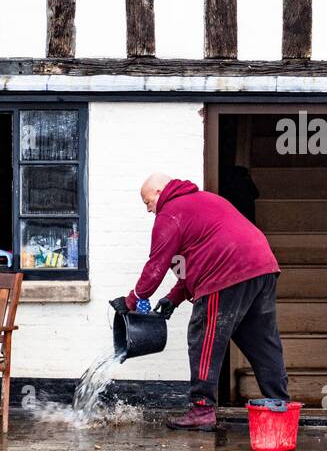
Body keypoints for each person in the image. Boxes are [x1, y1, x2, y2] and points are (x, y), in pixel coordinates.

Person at [112, 172, 290, 431]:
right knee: (262, 340)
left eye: (147, 202)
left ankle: (202, 409)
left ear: (161, 192)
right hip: (262, 267)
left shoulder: (170, 213)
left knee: (204, 336)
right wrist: (174, 298)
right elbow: (197, 260)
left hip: (228, 272)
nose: (148, 209)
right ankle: (280, 406)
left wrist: (132, 300)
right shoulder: (205, 201)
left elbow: (156, 266)